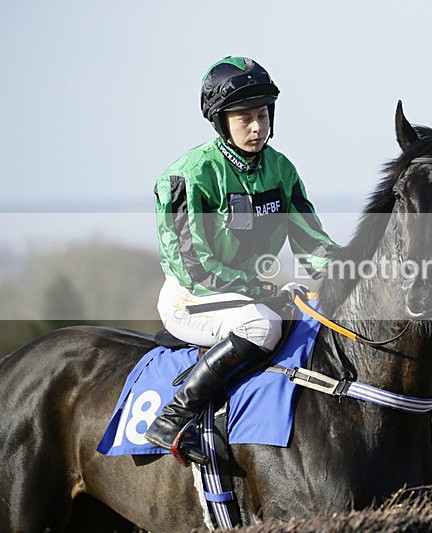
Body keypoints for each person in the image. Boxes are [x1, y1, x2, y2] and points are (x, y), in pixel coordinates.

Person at [144, 56, 338, 465]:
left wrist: (357, 271)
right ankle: (172, 418)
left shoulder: (281, 169)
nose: (256, 127)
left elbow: (312, 244)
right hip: (192, 297)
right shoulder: (187, 176)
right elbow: (193, 268)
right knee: (262, 325)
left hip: (252, 293)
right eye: (245, 118)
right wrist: (263, 290)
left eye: (263, 115)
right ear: (221, 121)